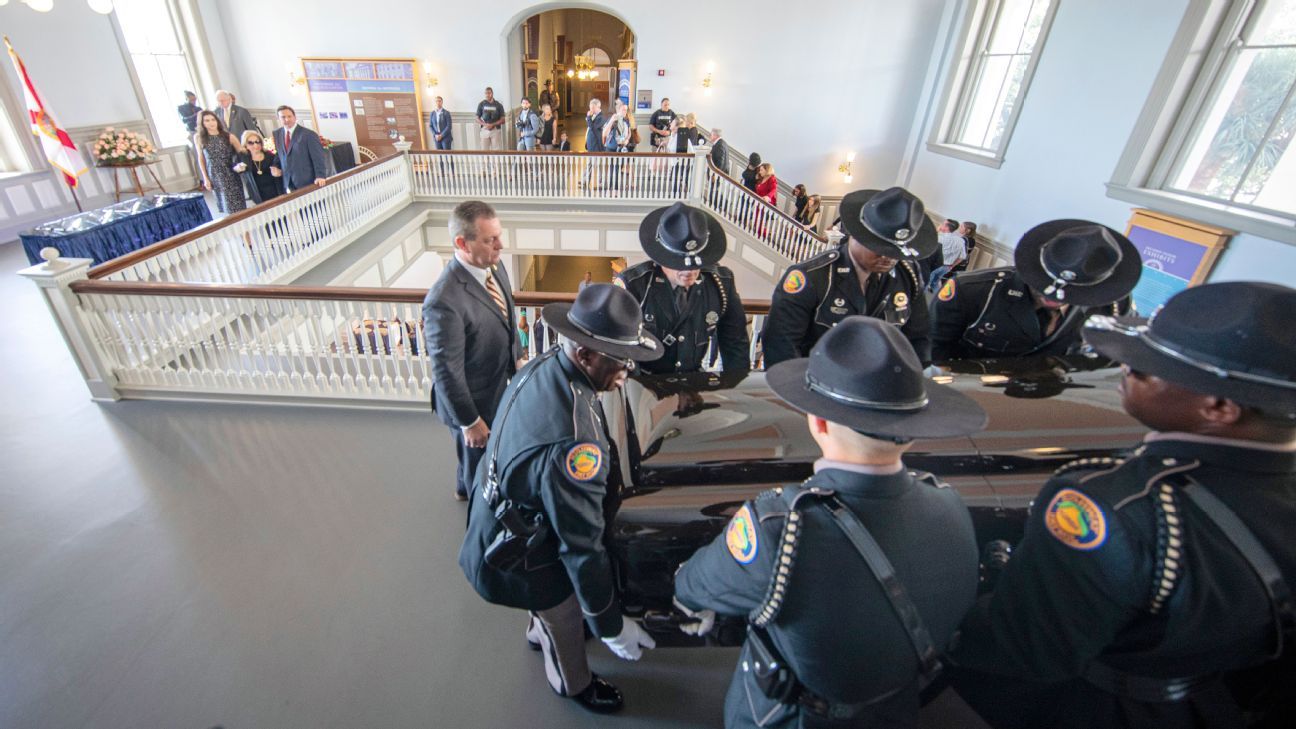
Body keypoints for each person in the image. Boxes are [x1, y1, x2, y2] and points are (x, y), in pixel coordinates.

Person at [950, 281, 1296, 729]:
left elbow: (1026, 647)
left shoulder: (1115, 504)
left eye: (1148, 368)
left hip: (1099, 707)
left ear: (1218, 407)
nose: (1124, 369)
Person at [674, 315, 986, 729]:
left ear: (817, 422)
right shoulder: (951, 507)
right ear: (910, 433)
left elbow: (695, 585)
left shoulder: (780, 528)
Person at [459, 284, 664, 714]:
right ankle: (571, 682)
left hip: (500, 517)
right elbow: (581, 546)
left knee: (554, 614)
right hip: (521, 552)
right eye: (618, 360)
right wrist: (609, 624)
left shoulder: (545, 365)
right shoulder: (575, 447)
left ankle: (539, 629)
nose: (627, 371)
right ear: (585, 355)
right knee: (566, 615)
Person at [761, 186, 936, 368]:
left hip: (881, 383)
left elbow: (919, 338)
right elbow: (782, 346)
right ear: (856, 235)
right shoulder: (813, 277)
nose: (888, 258)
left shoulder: (908, 275)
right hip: (818, 382)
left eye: (896, 252)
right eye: (880, 249)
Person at [929, 219, 1141, 362]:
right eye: (1044, 287)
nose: (1054, 299)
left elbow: (1111, 359)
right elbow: (932, 351)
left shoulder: (1112, 306)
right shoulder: (974, 291)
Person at [422, 201, 522, 500]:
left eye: (499, 236)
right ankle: (478, 517)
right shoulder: (443, 300)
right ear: (462, 243)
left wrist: (516, 355)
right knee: (477, 465)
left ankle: (463, 488)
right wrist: (469, 421)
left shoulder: (494, 264)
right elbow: (447, 372)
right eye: (490, 239)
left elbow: (508, 316)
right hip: (472, 401)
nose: (500, 245)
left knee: (475, 456)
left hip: (496, 384)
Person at [615, 202, 750, 374]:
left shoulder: (720, 283)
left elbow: (735, 344)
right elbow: (621, 352)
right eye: (678, 264)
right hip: (645, 385)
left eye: (696, 264)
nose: (689, 271)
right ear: (661, 258)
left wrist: (734, 392)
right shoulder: (634, 285)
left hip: (692, 384)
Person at [193, 110, 245, 214]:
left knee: (237, 206)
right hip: (214, 174)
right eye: (207, 120)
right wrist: (205, 178)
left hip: (230, 173)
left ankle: (244, 229)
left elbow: (242, 152)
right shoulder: (199, 137)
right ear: (202, 123)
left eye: (213, 119)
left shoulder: (228, 136)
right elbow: (201, 158)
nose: (211, 122)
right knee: (225, 206)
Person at [272, 106, 328, 192]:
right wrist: (275, 166)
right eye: (283, 117)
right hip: (288, 180)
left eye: (289, 116)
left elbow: (318, 157)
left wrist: (320, 176)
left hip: (307, 180)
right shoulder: (277, 133)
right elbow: (279, 153)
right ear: (279, 119)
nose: (287, 119)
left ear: (295, 117)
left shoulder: (308, 134)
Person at [232, 130, 285, 206]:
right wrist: (238, 169)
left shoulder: (269, 155)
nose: (255, 145)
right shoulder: (242, 157)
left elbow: (281, 170)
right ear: (245, 145)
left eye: (258, 142)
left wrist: (280, 172)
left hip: (275, 190)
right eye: (251, 143)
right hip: (257, 192)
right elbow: (234, 169)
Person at [926, 219, 968, 291]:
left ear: (947, 227)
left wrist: (936, 231)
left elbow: (925, 244)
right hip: (947, 267)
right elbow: (962, 257)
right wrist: (952, 266)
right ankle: (937, 299)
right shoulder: (961, 241)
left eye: (943, 224)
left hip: (934, 266)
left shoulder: (939, 238)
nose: (940, 225)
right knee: (936, 283)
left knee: (926, 283)